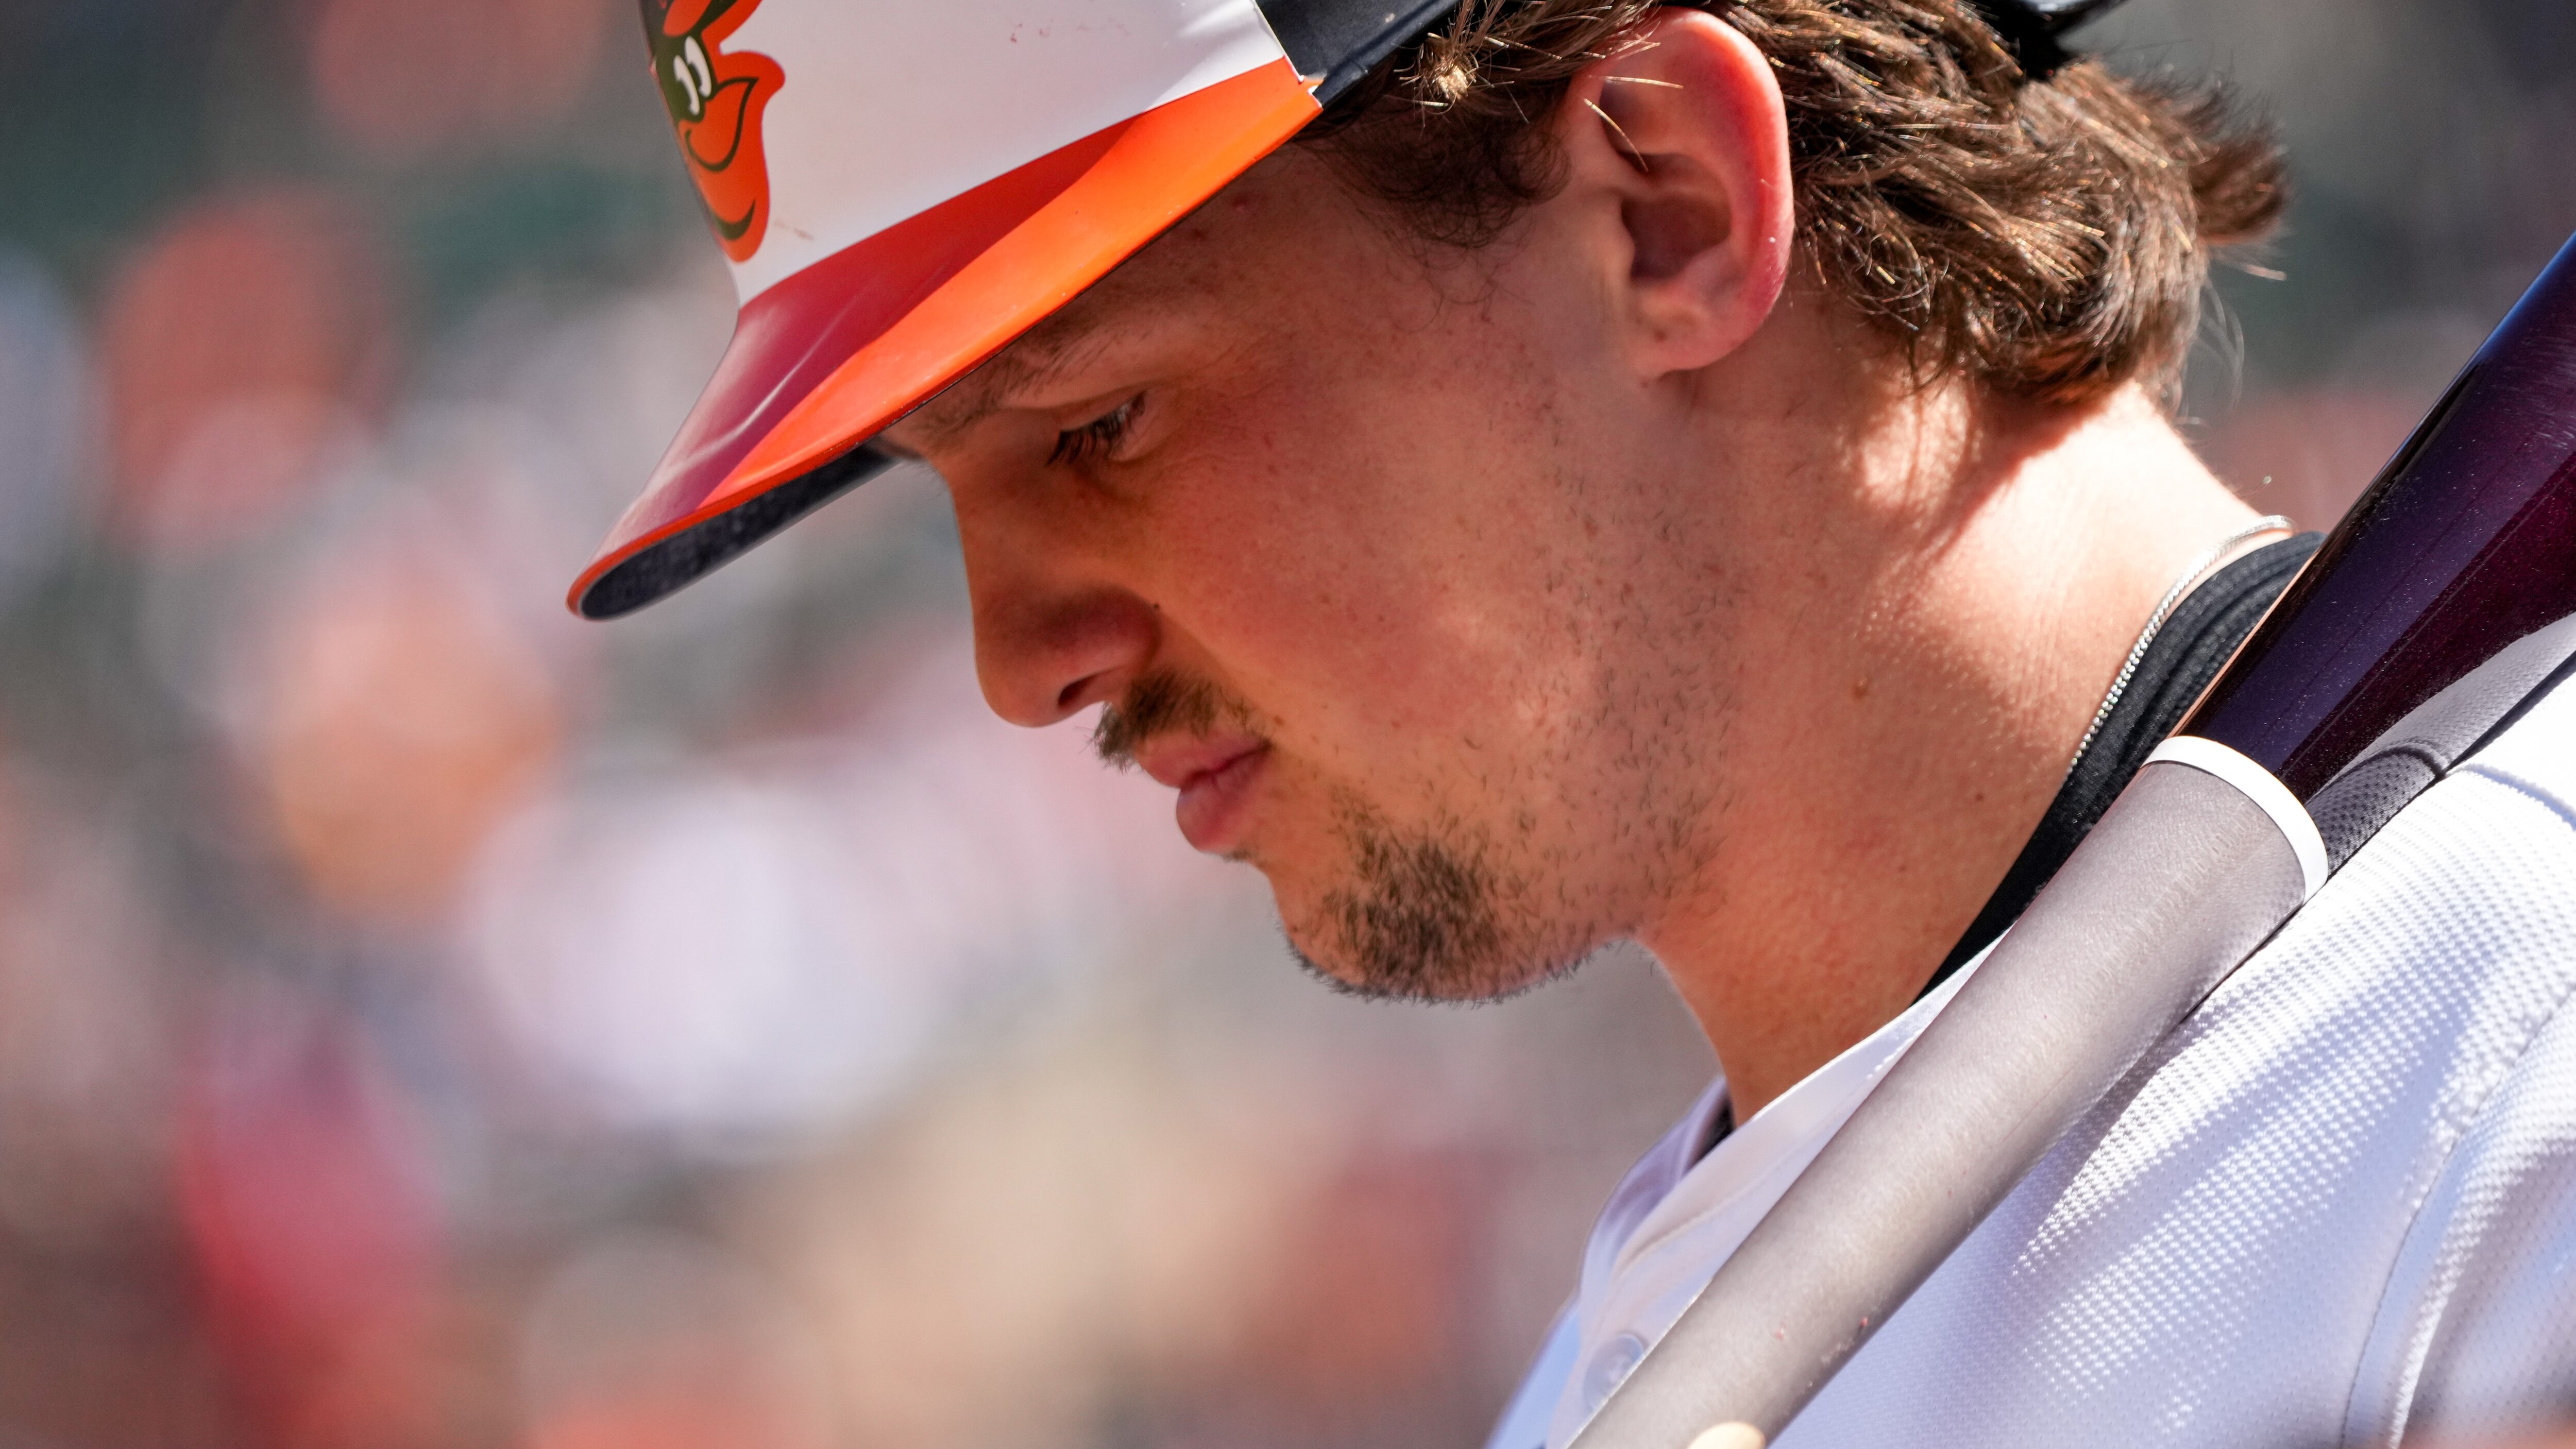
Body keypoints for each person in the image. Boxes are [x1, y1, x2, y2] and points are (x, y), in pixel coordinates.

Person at [579, 1, 2576, 1443]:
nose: (1019, 659)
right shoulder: (1630, 1355)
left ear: (1668, 205)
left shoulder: (2512, 1078)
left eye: (1099, 422)